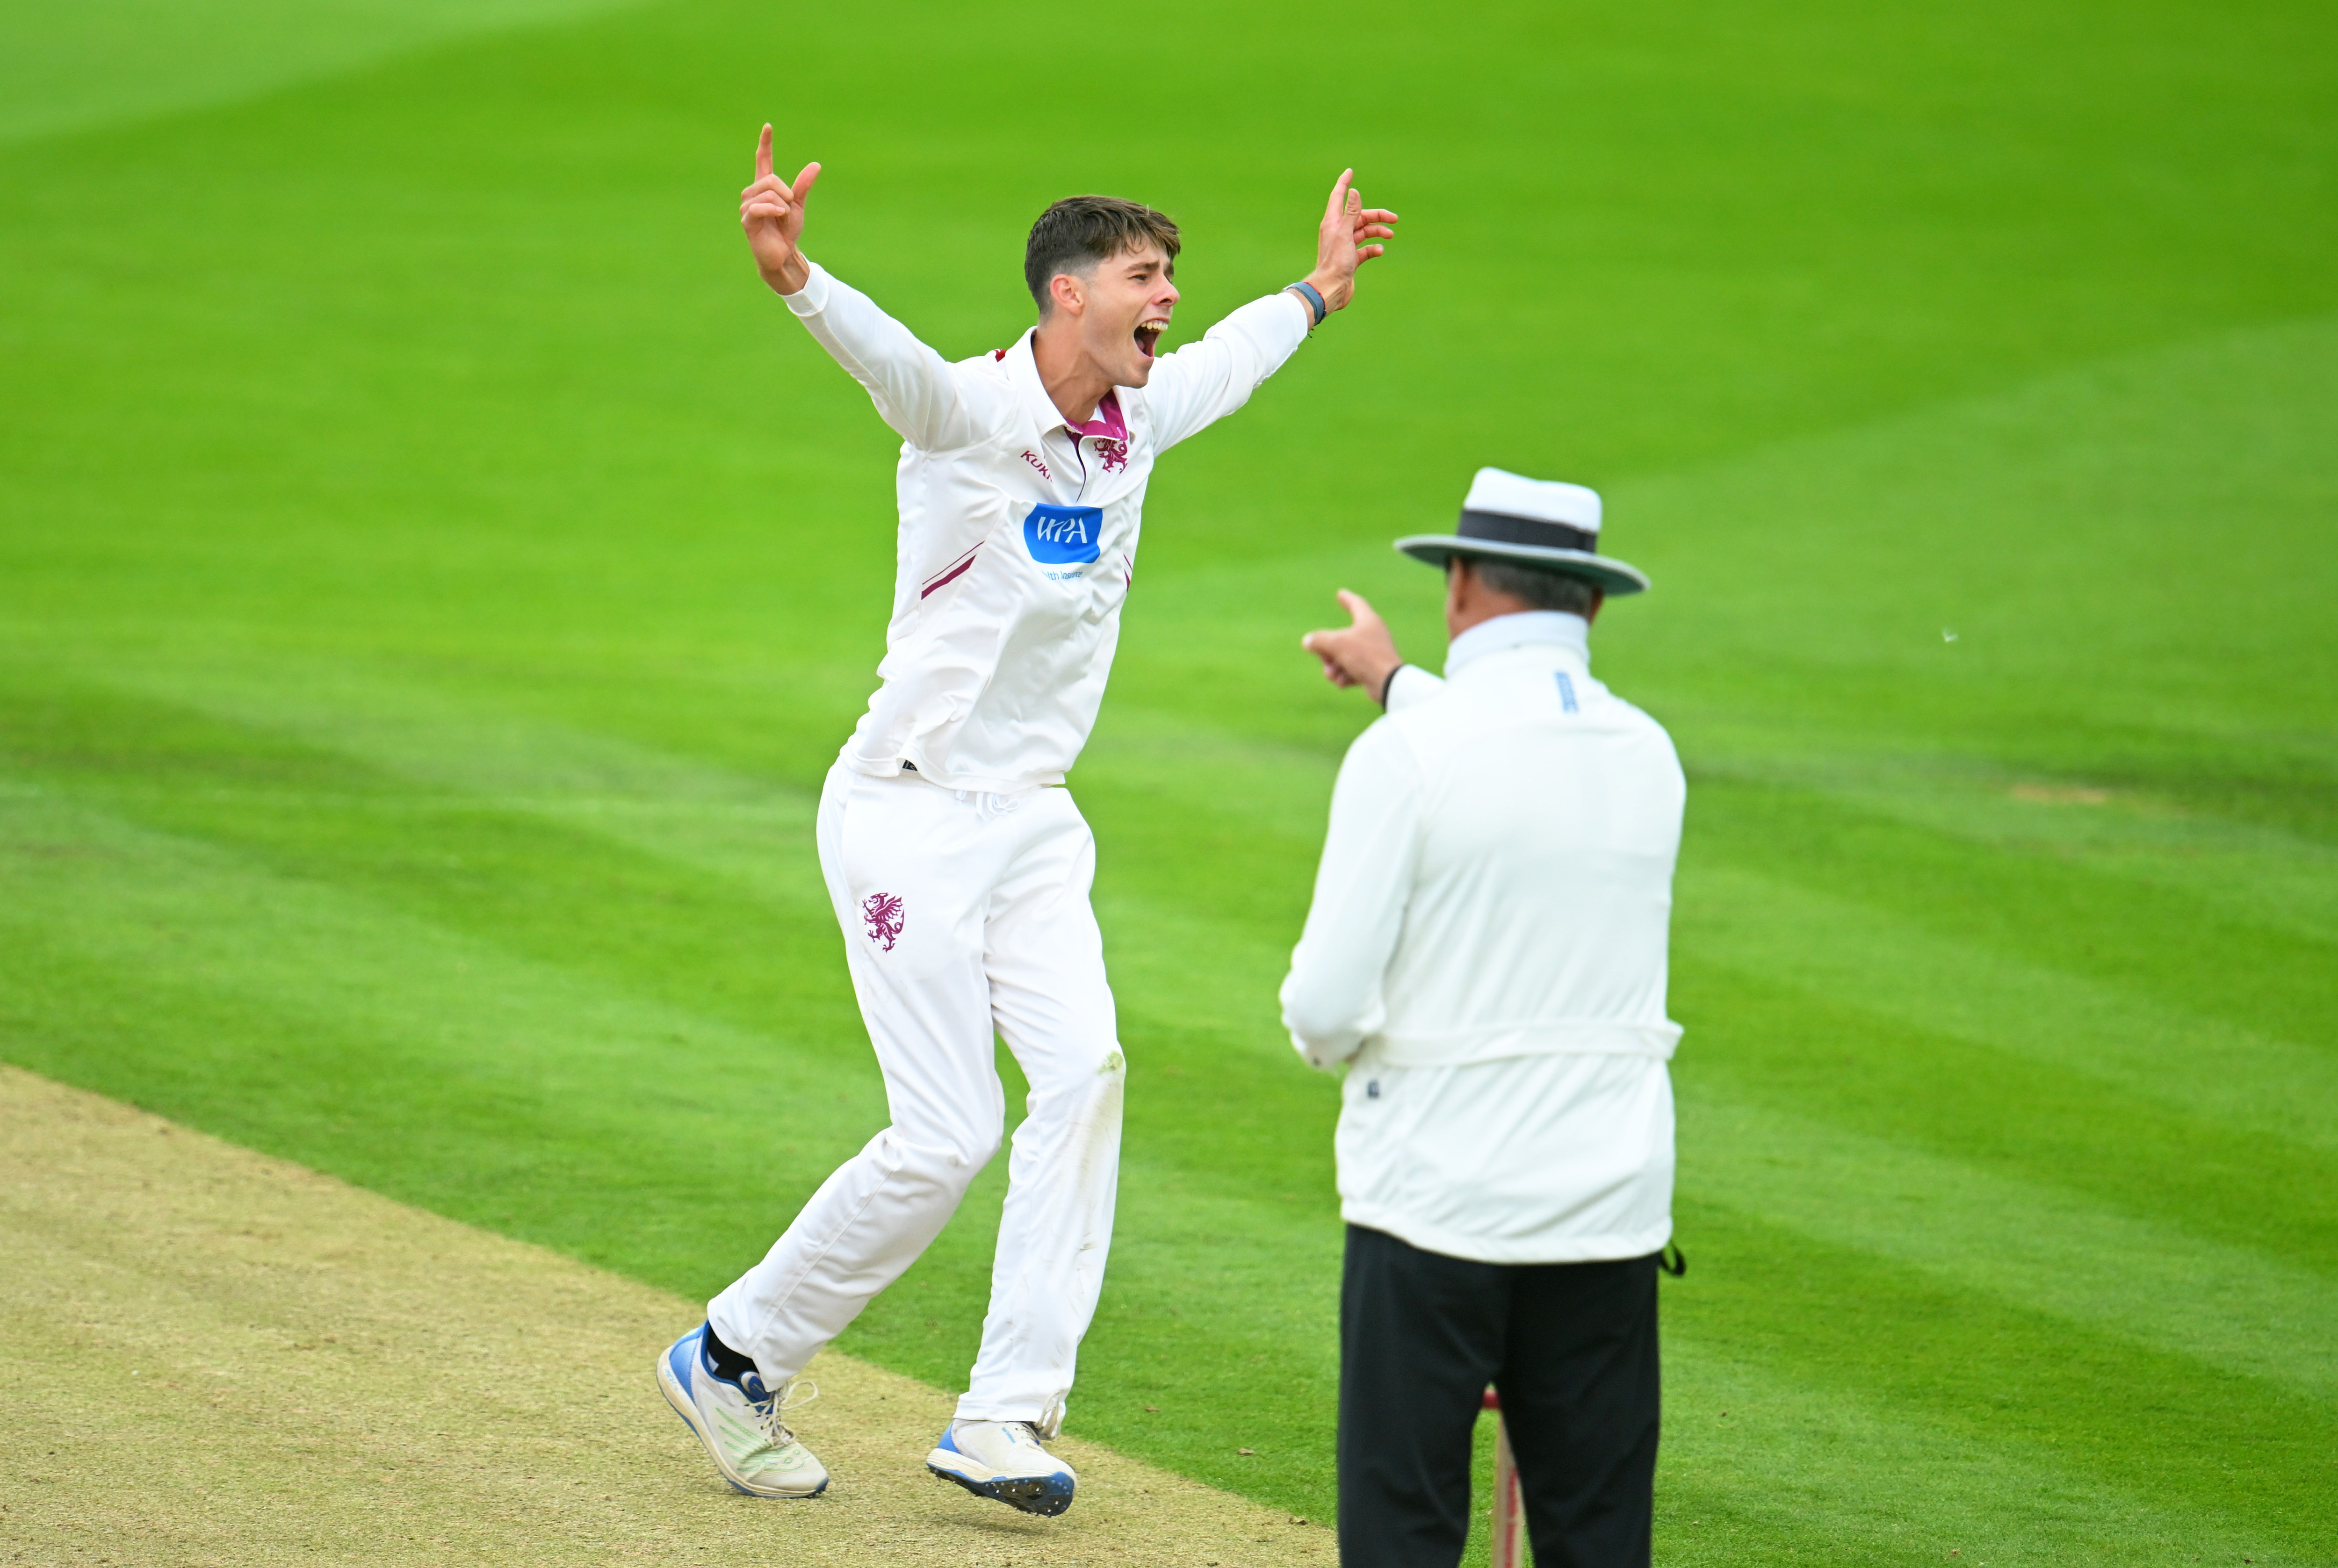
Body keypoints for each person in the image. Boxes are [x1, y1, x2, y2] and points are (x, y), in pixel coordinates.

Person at [654, 124, 1398, 1514]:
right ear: (1069, 293)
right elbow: (893, 363)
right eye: (1143, 274)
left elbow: (1229, 366)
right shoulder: (968, 416)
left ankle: (1005, 1415)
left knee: (1087, 1075)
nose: (1167, 298)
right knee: (947, 1136)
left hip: (1036, 824)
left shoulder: (1137, 420)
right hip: (907, 814)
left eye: (1171, 274)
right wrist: (795, 277)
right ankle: (732, 1355)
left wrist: (1313, 294)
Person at [1283, 468, 1686, 1568]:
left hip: (1433, 1205)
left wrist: (1332, 1048)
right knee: (1598, 1534)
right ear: (1592, 605)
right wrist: (1397, 684)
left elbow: (1323, 1003)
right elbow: (1518, 752)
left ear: (1457, 587)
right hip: (1607, 1207)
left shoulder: (1408, 755)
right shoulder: (1651, 756)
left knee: (1403, 1528)